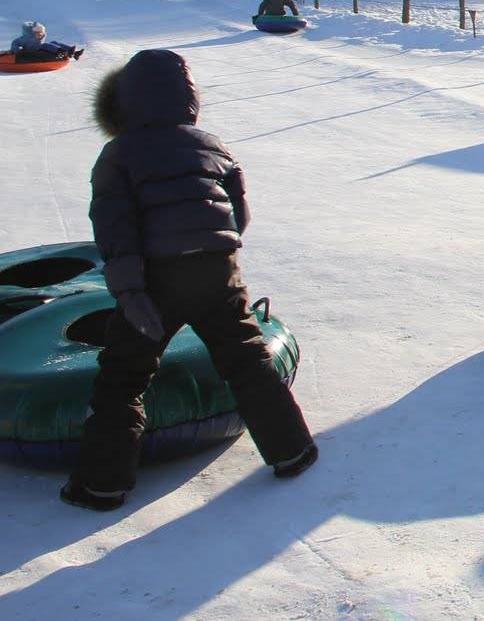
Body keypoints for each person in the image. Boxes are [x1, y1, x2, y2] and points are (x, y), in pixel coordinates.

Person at [61, 50, 316, 511]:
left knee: (124, 377)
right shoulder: (212, 145)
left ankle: (102, 484)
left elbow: (114, 229)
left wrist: (130, 292)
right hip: (219, 272)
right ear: (189, 98)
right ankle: (292, 450)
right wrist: (215, 250)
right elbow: (239, 213)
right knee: (246, 361)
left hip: (156, 279)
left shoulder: (117, 155)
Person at [9, 20, 79, 61]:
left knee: (53, 42)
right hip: (30, 52)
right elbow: (15, 43)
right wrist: (17, 51)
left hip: (39, 48)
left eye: (42, 33)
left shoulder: (40, 35)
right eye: (38, 33)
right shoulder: (26, 38)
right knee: (45, 45)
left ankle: (72, 51)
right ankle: (60, 51)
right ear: (33, 33)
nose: (40, 35)